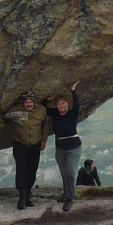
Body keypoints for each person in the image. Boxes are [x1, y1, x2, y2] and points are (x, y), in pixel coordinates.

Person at [4, 91, 48, 210]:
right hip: (20, 144)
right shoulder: (15, 111)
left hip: (35, 144)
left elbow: (45, 125)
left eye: (30, 102)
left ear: (34, 102)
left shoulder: (42, 110)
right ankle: (22, 197)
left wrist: (43, 140)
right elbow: (4, 118)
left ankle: (28, 196)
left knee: (32, 169)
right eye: (26, 102)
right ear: (22, 103)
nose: (28, 104)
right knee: (21, 168)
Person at [43, 82, 81, 211]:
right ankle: (66, 195)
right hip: (60, 148)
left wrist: (73, 90)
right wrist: (46, 100)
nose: (61, 105)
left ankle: (70, 198)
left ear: (67, 104)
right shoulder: (54, 113)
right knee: (64, 173)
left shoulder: (73, 113)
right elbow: (44, 109)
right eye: (59, 104)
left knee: (70, 172)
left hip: (74, 147)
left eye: (63, 103)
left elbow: (77, 104)